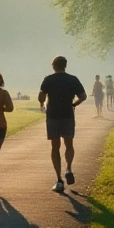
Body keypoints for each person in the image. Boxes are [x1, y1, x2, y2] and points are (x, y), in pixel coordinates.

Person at [39, 56, 87, 192]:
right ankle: (69, 168)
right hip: (67, 114)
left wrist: (42, 104)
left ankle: (59, 180)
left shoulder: (48, 79)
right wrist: (74, 104)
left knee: (55, 147)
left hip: (53, 115)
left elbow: (41, 96)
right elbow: (83, 96)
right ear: (65, 65)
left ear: (53, 66)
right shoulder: (73, 79)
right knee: (69, 144)